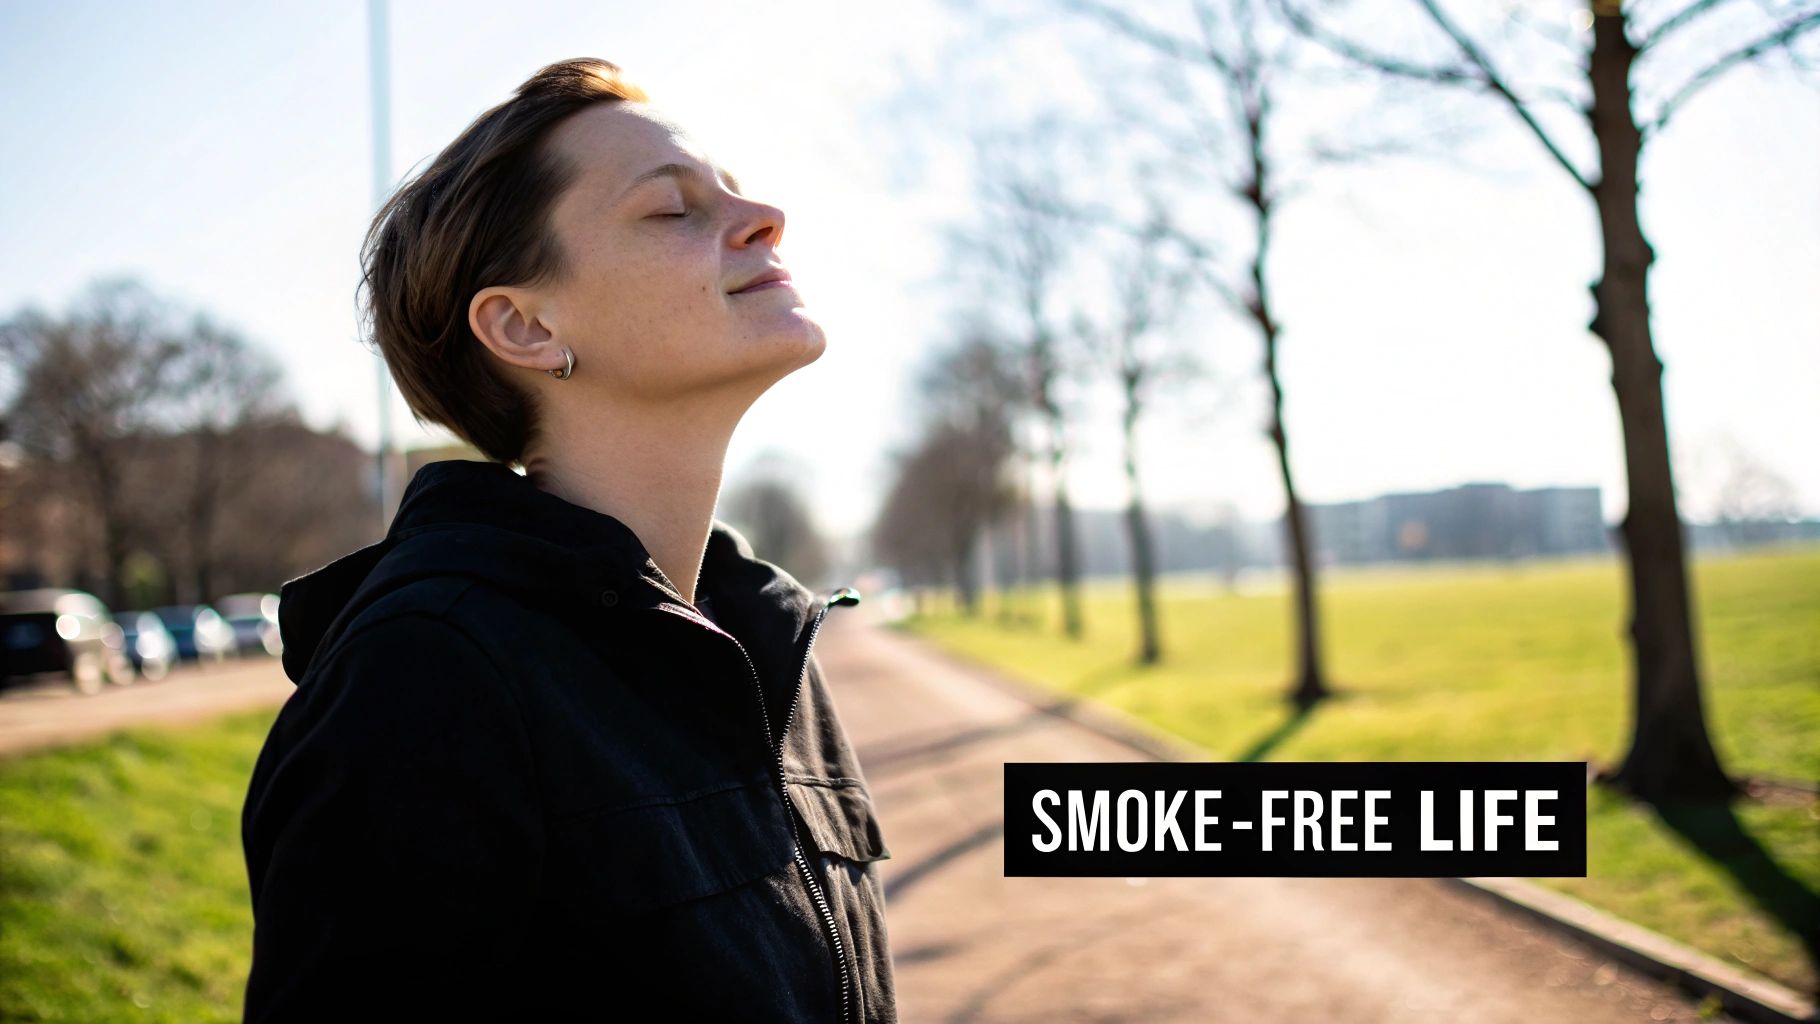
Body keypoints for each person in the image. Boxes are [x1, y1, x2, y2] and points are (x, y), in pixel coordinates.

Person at [240, 57, 897, 1023]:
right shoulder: (425, 681)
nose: (764, 216)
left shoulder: (764, 644)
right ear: (525, 327)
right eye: (673, 210)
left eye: (732, 186)